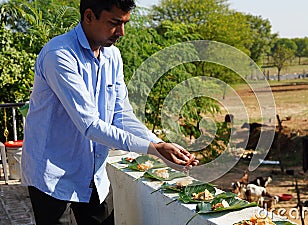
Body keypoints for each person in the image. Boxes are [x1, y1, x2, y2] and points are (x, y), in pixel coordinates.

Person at [21, 0, 198, 224]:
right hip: (53, 175)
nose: (121, 32)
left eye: (125, 23)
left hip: (93, 174)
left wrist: (159, 143)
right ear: (88, 17)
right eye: (114, 23)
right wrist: (152, 149)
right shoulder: (59, 55)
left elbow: (120, 115)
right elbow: (90, 125)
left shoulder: (112, 56)